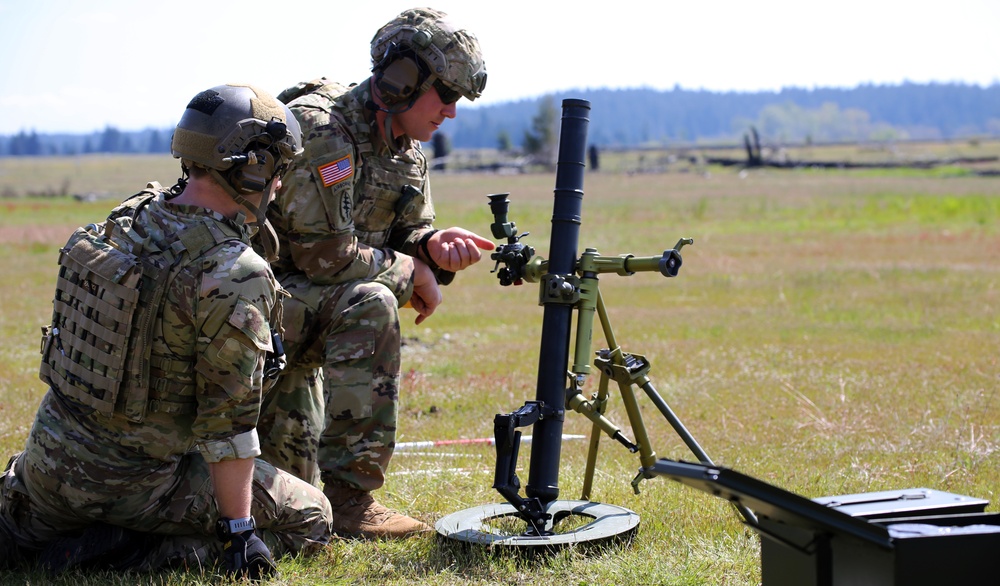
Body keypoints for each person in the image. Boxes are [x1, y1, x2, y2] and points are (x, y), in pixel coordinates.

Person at [0, 84, 332, 578]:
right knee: (312, 517)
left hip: (48, 464)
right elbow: (228, 430)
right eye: (278, 170)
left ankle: (40, 527)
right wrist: (238, 534)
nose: (279, 185)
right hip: (136, 483)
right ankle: (121, 553)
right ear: (253, 167)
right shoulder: (233, 271)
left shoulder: (128, 219)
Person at [257, 7, 492, 539]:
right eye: (447, 95)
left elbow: (400, 236)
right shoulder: (325, 131)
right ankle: (350, 502)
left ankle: (323, 490)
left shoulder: (408, 151)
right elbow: (326, 256)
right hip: (249, 310)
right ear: (403, 80)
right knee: (373, 304)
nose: (452, 113)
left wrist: (431, 245)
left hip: (293, 313)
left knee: (291, 499)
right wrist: (414, 274)